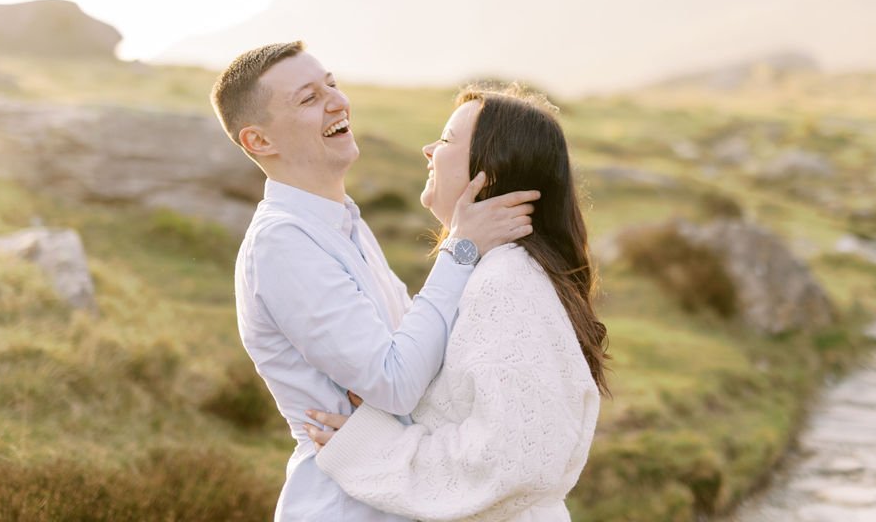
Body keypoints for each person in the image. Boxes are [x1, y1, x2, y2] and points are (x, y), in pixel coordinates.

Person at [210, 42, 541, 522]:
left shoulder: (343, 223)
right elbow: (398, 383)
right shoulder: (282, 242)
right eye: (309, 98)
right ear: (259, 141)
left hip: (400, 489)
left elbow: (416, 363)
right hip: (345, 505)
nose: (337, 102)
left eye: (332, 84)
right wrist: (461, 248)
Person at [305, 85, 609, 521]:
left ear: (489, 175)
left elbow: (514, 460)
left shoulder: (506, 280)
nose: (428, 149)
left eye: (447, 140)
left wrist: (371, 449)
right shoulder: (491, 271)